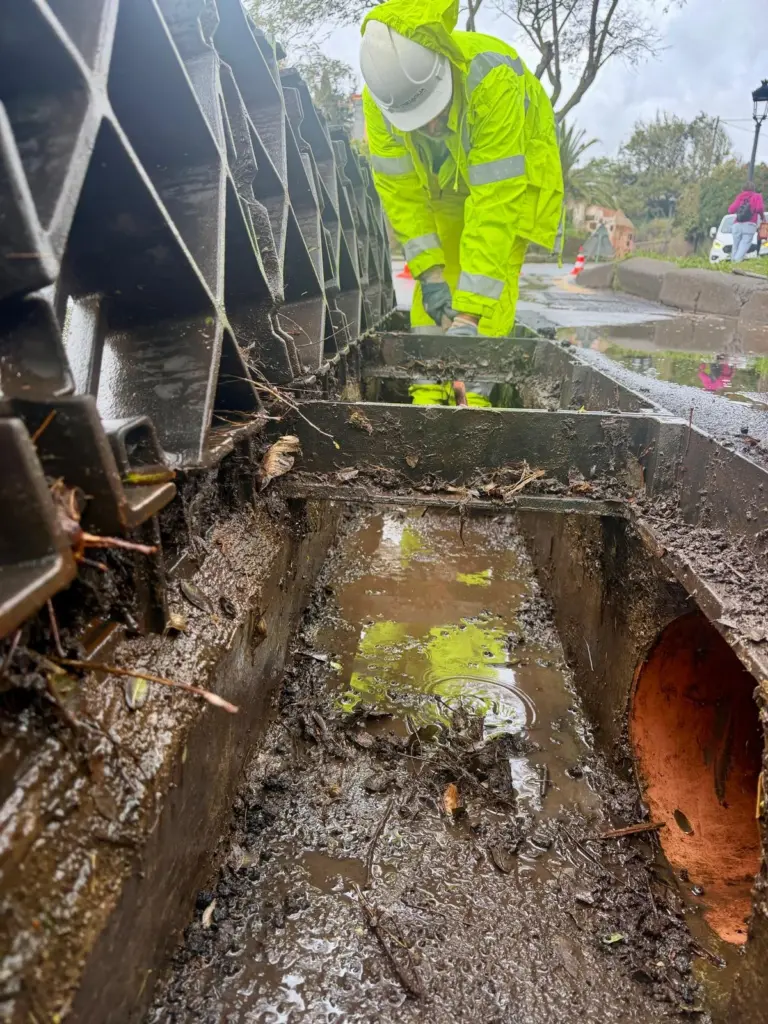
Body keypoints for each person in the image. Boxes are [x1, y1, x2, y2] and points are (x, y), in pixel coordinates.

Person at [359, 0, 563, 341]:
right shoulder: (382, 102)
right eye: (420, 121)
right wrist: (431, 277)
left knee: (488, 286)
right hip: (448, 175)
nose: (432, 126)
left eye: (435, 110)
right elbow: (402, 197)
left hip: (516, 172)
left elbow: (495, 205)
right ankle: (425, 383)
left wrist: (469, 317)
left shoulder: (493, 80)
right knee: (441, 272)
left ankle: (478, 389)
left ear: (444, 70)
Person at [728, 183, 765, 263]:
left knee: (736, 246)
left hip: (737, 224)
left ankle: (732, 263)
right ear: (754, 189)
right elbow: (759, 208)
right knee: (744, 245)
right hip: (749, 225)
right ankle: (736, 262)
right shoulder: (757, 196)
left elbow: (731, 210)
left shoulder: (740, 196)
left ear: (743, 189)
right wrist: (762, 217)